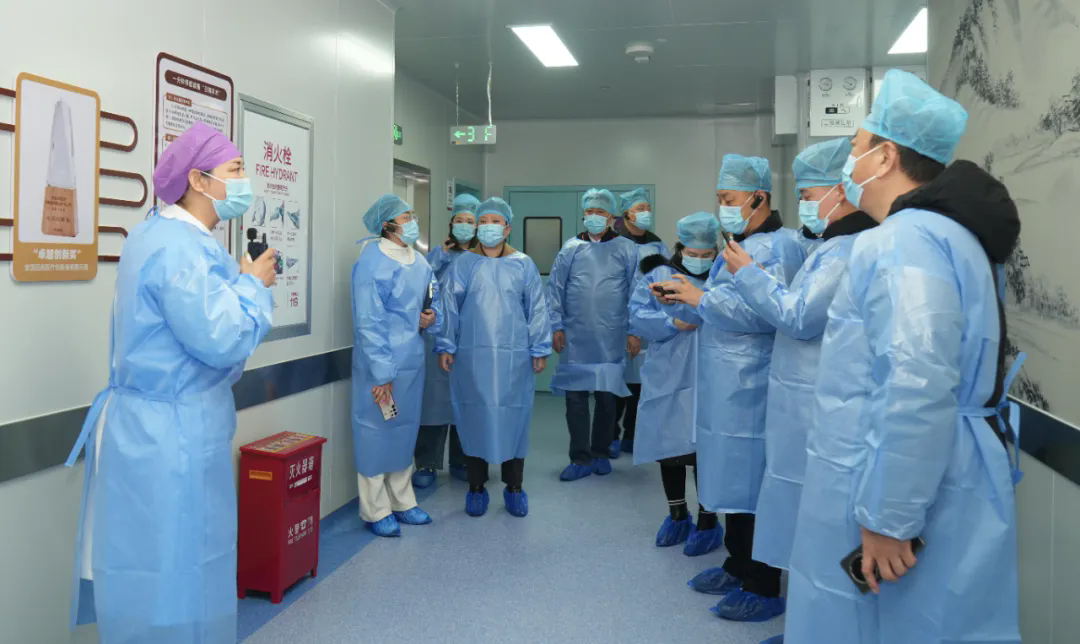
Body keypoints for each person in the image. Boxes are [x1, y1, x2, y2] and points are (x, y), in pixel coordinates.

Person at [785, 70, 1022, 644]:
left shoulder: (903, 241)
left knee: (880, 624)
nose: (849, 162)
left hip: (897, 486)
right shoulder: (948, 237)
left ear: (886, 156)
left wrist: (889, 518)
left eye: (856, 148)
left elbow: (915, 382)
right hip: (935, 471)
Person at [64, 122, 277, 643]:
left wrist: (240, 287)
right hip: (167, 436)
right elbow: (222, 338)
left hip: (168, 426)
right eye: (234, 169)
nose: (244, 179)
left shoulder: (166, 237)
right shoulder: (175, 248)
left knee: (179, 565)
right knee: (171, 572)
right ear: (198, 181)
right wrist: (254, 286)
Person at [719, 140, 876, 644]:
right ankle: (813, 627)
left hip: (826, 408)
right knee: (806, 516)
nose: (805, 204)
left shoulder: (849, 249)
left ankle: (825, 630)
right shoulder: (831, 245)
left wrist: (747, 275)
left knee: (828, 524)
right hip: (806, 403)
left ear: (839, 190)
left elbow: (800, 315)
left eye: (808, 194)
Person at [653, 154, 803, 623]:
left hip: (753, 383)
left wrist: (701, 297)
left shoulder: (778, 246)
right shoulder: (740, 245)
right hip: (728, 384)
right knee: (734, 480)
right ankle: (738, 566)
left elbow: (768, 314)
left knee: (754, 485)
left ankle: (762, 584)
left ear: (759, 197)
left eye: (729, 197)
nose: (723, 206)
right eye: (719, 197)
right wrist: (687, 294)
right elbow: (723, 305)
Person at [437, 197, 552, 517]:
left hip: (515, 358)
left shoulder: (523, 264)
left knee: (514, 418)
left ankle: (514, 487)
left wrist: (539, 348)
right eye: (483, 221)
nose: (489, 226)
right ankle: (476, 487)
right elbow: (449, 307)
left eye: (495, 221)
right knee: (475, 417)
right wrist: (446, 345)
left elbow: (537, 308)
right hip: (472, 358)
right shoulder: (464, 264)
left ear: (507, 228)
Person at [629, 212, 723, 555]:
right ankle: (677, 514)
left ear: (716, 251)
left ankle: (708, 520)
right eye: (692, 253)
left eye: (706, 254)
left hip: (715, 374)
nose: (699, 259)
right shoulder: (659, 275)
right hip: (668, 373)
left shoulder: (724, 276)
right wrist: (672, 323)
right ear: (679, 247)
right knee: (669, 447)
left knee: (707, 451)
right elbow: (637, 315)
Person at [351, 194, 442, 538]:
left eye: (412, 215)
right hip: (379, 365)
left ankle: (403, 501)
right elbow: (369, 321)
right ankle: (376, 509)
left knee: (403, 430)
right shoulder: (371, 262)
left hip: (412, 362)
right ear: (386, 223)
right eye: (406, 217)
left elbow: (431, 300)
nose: (412, 222)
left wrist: (431, 317)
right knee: (375, 433)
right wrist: (382, 373)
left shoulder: (419, 261)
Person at [548, 188, 639, 481]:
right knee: (575, 399)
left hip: (611, 336)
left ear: (611, 217)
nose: (594, 217)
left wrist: (635, 330)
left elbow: (637, 291)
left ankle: (600, 452)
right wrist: (556, 325)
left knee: (607, 398)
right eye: (590, 211)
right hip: (575, 336)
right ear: (584, 214)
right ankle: (579, 458)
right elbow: (556, 288)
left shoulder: (626, 249)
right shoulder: (570, 248)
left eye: (600, 212)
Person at [413, 193, 479, 489]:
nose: (464, 226)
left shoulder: (483, 259)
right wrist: (440, 254)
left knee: (466, 401)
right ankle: (426, 462)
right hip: (438, 337)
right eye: (459, 220)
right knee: (434, 402)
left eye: (470, 221)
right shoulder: (437, 256)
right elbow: (422, 284)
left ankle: (462, 460)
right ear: (452, 224)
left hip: (472, 338)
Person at [611, 187, 669, 458]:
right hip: (615, 324)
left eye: (647, 208)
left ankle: (632, 436)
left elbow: (660, 282)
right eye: (639, 208)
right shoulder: (614, 244)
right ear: (626, 214)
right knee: (614, 383)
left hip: (645, 325)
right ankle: (610, 435)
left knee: (639, 383)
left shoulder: (656, 245)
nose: (646, 213)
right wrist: (628, 328)